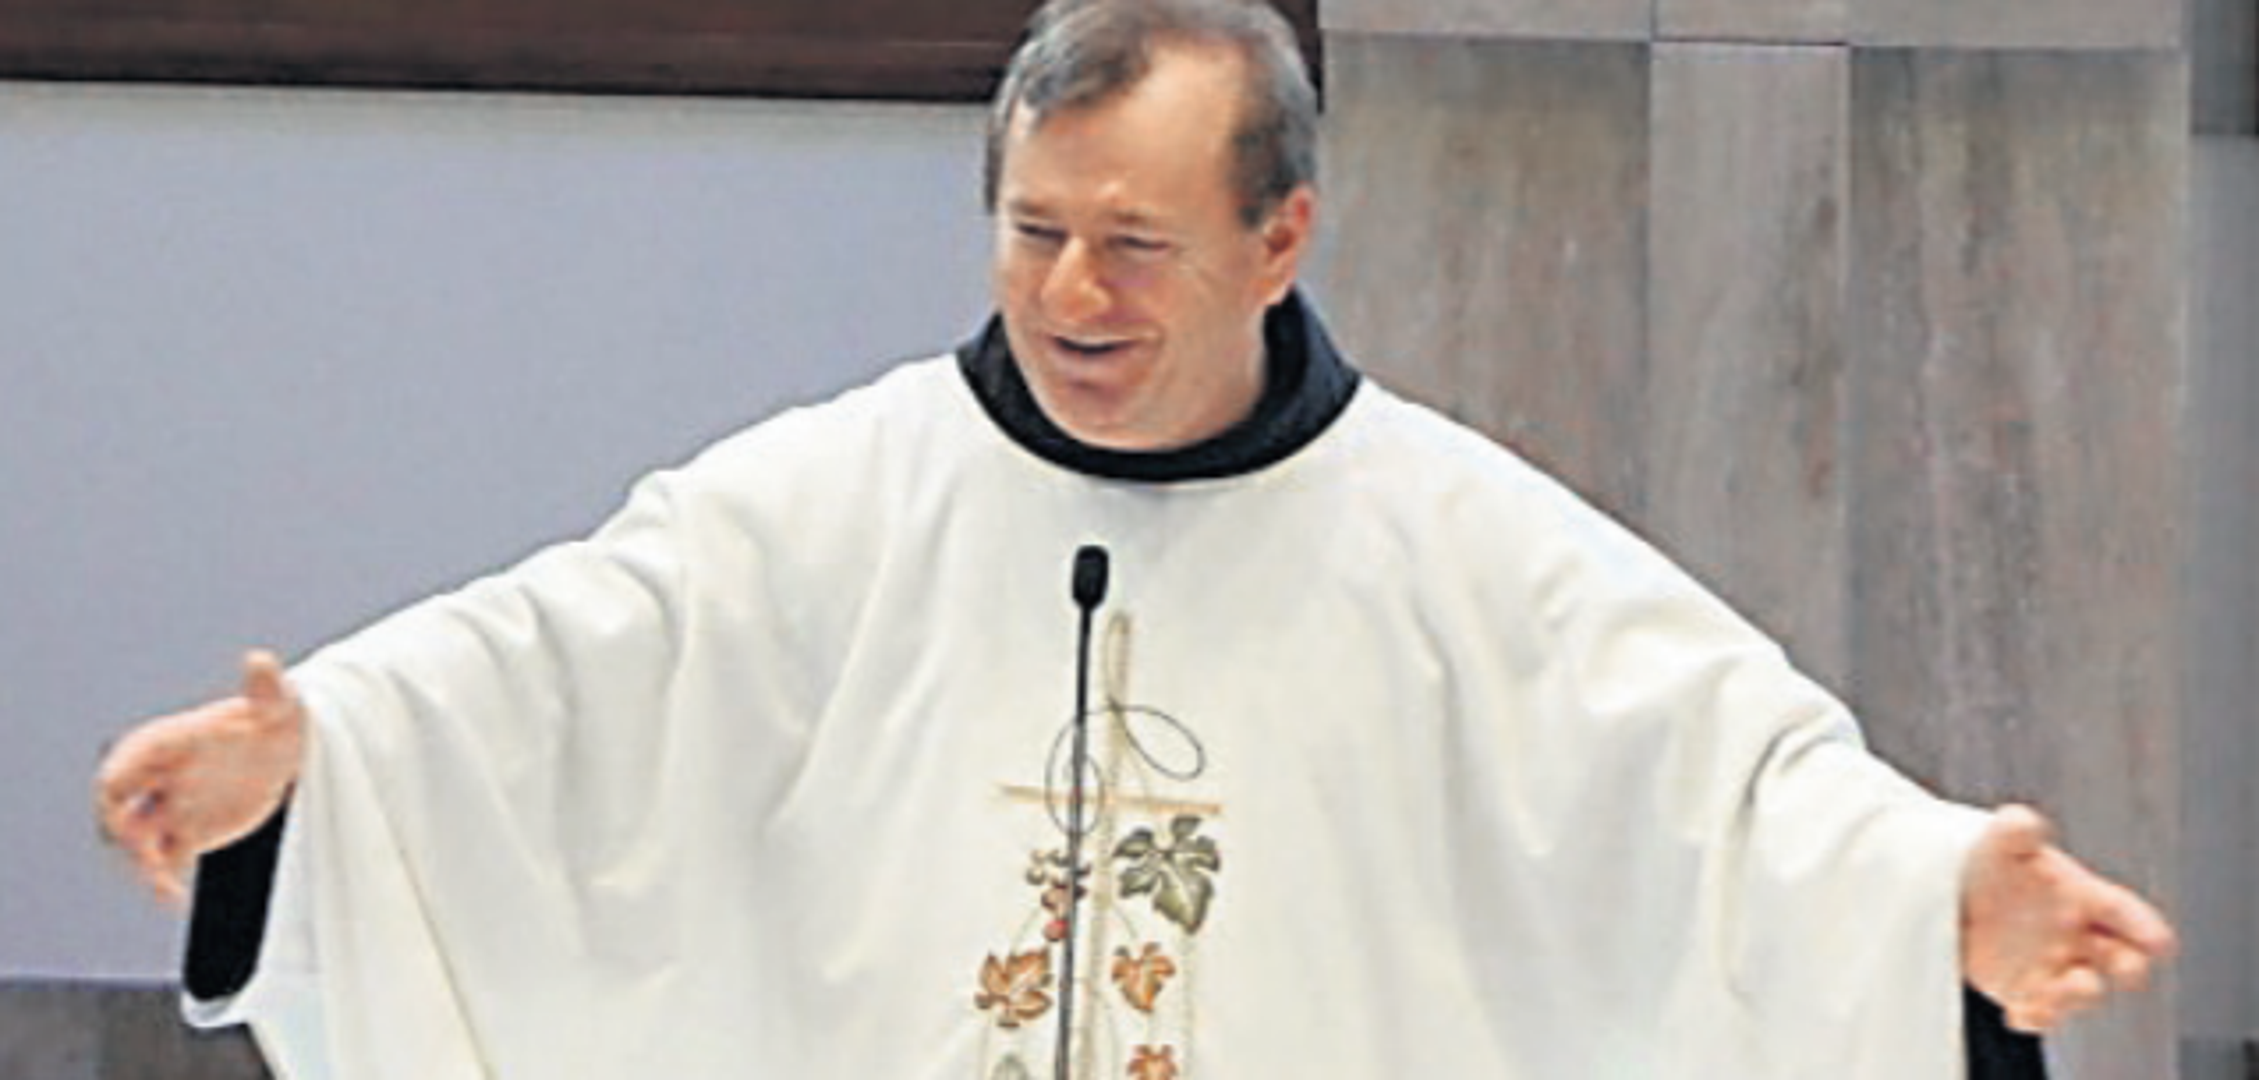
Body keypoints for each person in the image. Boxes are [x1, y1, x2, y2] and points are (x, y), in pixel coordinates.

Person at [94, 1, 2175, 1077]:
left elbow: (1724, 792)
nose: (1071, 296)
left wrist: (1932, 906)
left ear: (1281, 236)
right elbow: (550, 681)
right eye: (1032, 232)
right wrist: (310, 776)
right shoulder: (830, 503)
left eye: (1136, 244)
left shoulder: (1459, 549)